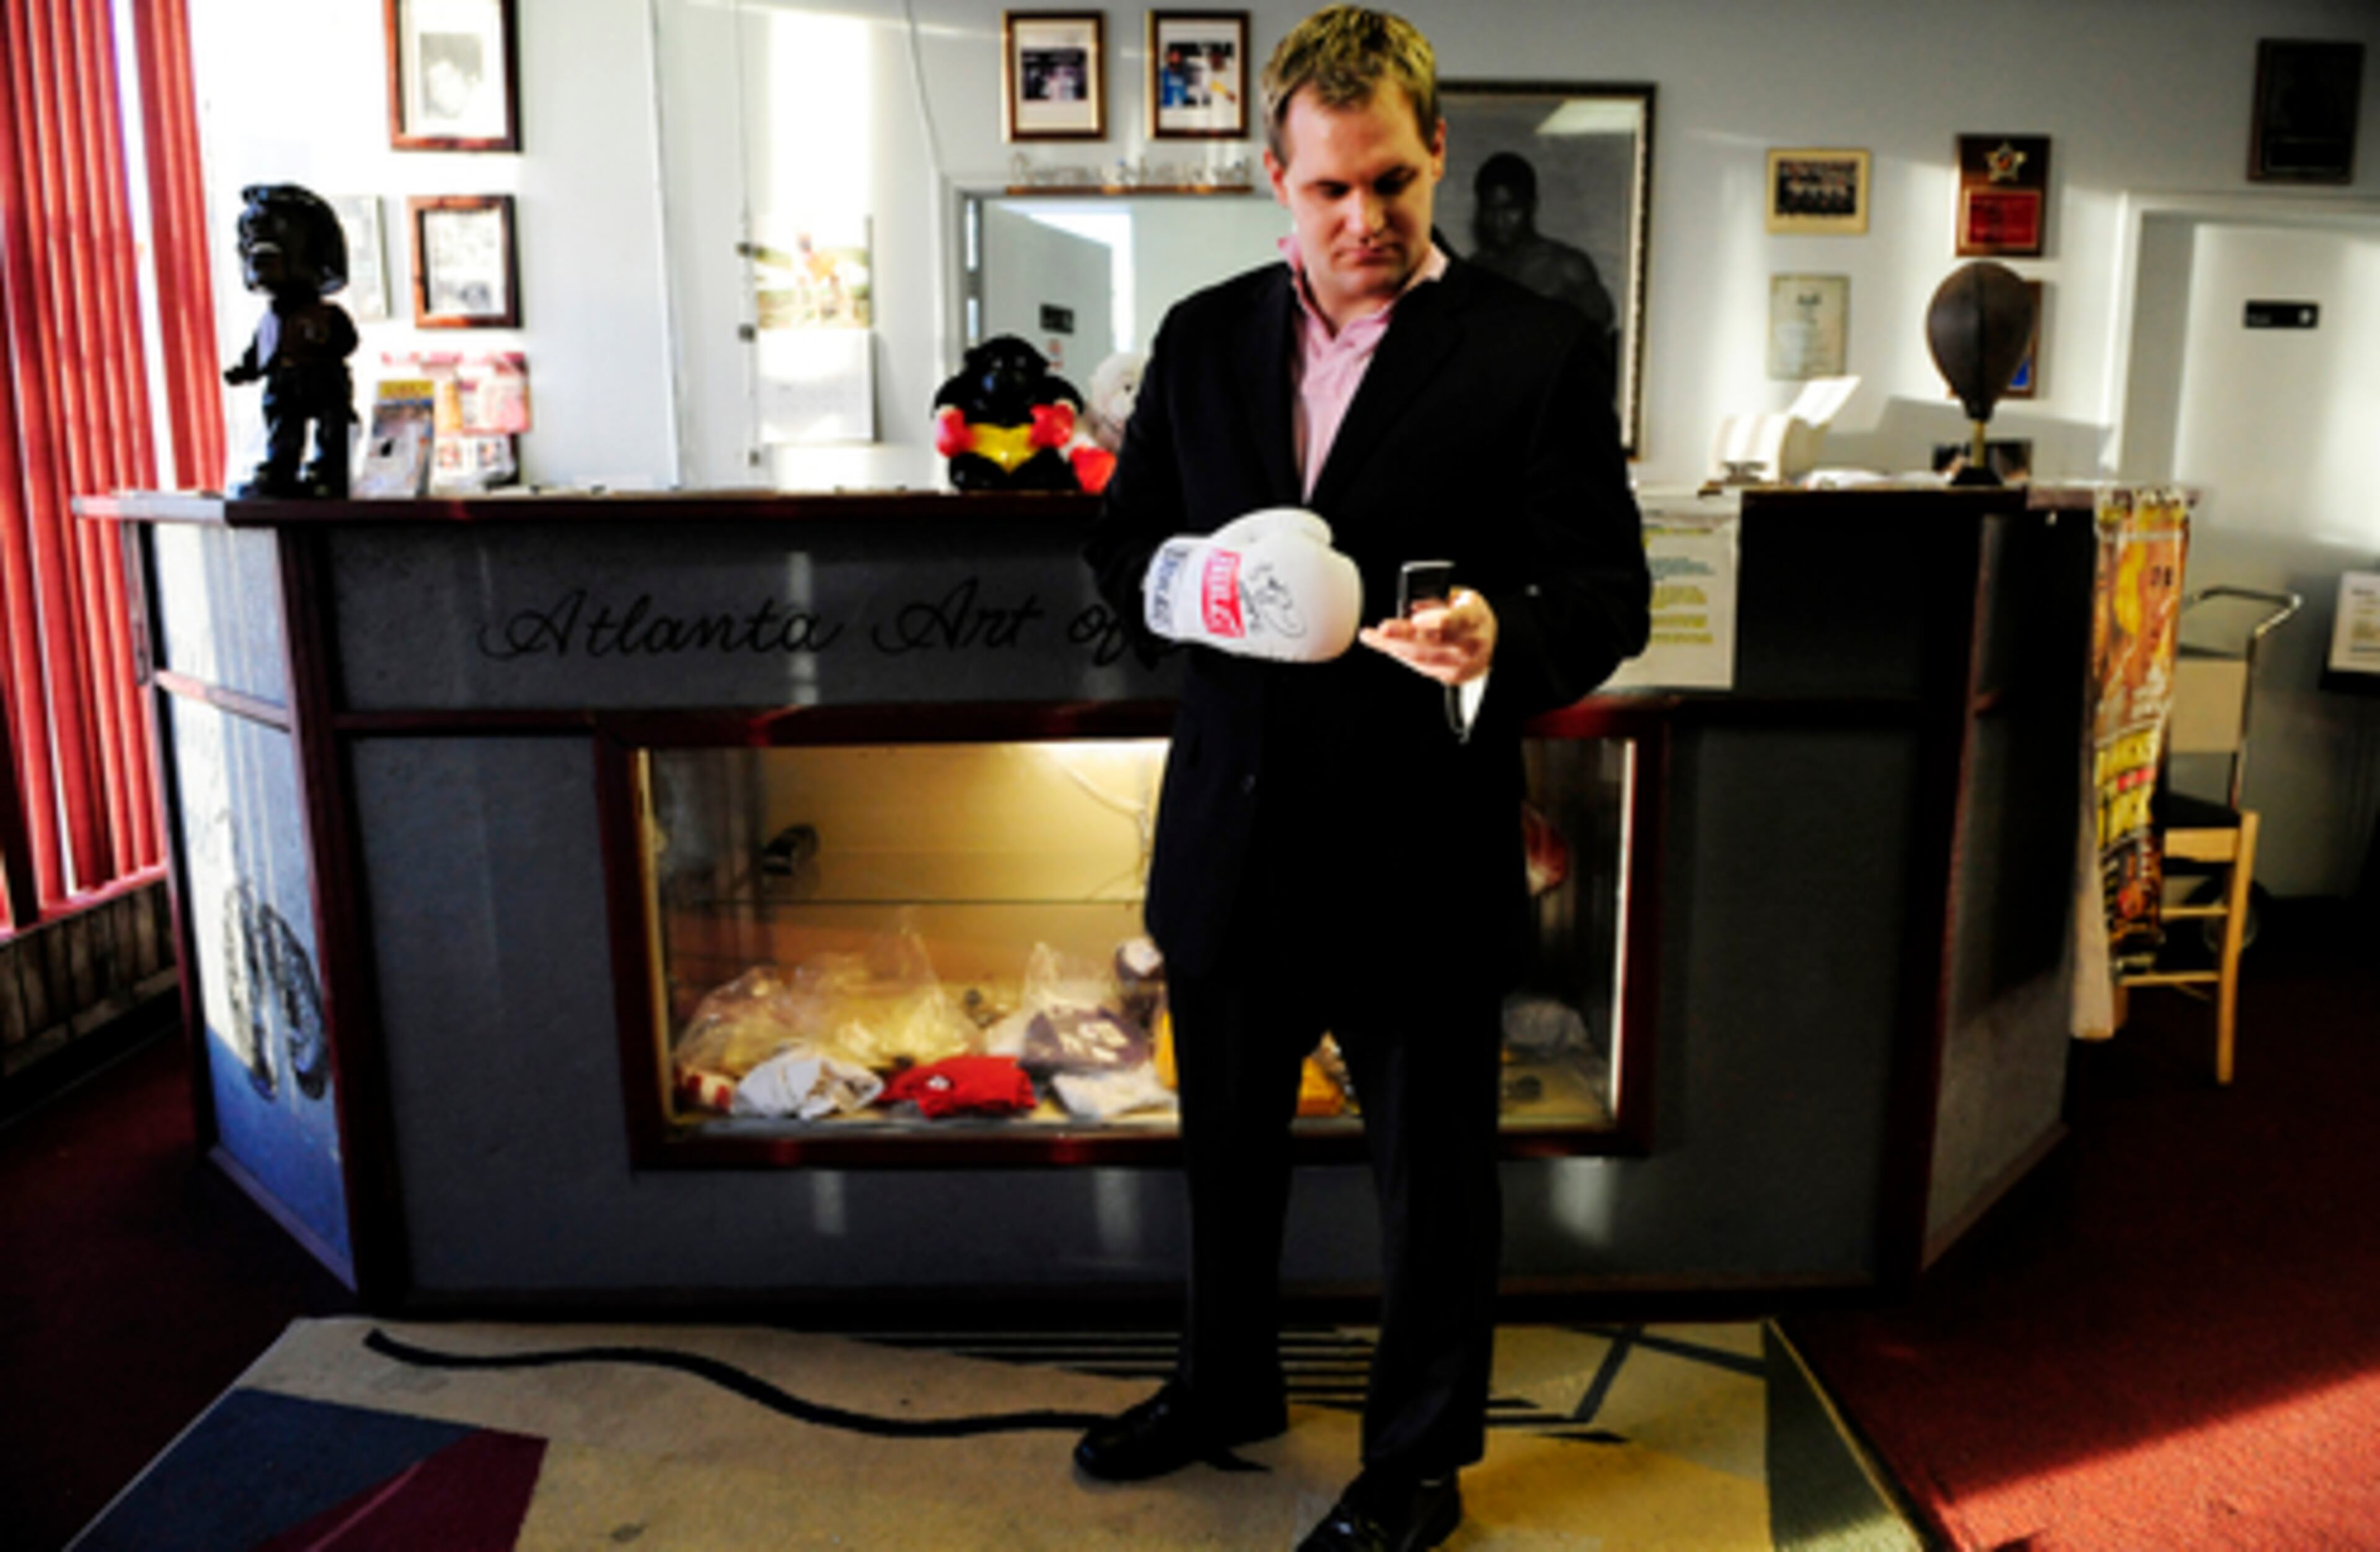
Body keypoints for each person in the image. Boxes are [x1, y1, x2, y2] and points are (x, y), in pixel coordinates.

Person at [1075, 7, 1650, 1550]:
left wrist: (1497, 634)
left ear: (1435, 154)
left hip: (1417, 839)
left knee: (1433, 1183)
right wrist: (1193, 577)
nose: (1364, 221)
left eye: (1391, 182)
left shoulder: (1535, 349)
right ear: (1274, 177)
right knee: (1223, 1151)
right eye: (1329, 190)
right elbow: (1119, 548)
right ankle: (1221, 1383)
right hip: (1233, 827)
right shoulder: (1198, 339)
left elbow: (1606, 593)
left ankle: (1415, 1460)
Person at [1466, 151, 1620, 383]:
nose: (1500, 221)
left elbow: (1599, 338)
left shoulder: (1566, 267)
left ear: (1531, 206)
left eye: (1511, 209)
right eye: (1491, 209)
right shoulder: (1474, 271)